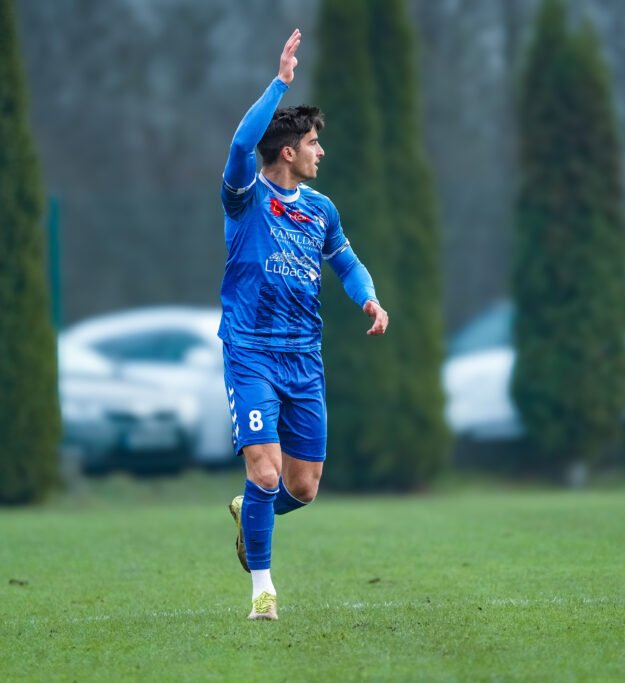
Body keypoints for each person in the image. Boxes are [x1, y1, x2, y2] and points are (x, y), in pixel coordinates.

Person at [219, 28, 389, 621]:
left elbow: (347, 262)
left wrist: (368, 298)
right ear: (288, 152)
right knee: (266, 472)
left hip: (304, 357)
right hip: (251, 352)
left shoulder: (321, 209)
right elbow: (242, 142)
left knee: (303, 486)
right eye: (314, 142)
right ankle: (262, 590)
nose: (322, 152)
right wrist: (281, 82)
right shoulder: (245, 197)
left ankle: (249, 510)